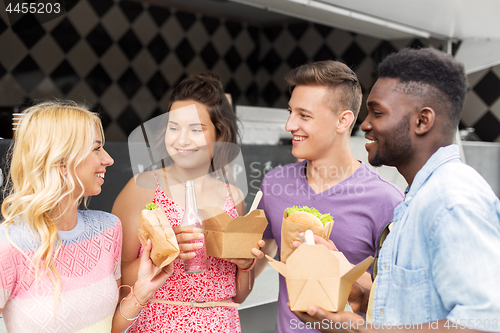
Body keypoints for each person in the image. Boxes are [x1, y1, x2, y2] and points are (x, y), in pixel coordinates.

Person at [292, 48, 500, 332]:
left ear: (422, 121)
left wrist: (359, 330)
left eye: (377, 112)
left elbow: (485, 322)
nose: (364, 124)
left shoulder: (452, 200)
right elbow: (414, 309)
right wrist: (358, 292)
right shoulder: (416, 199)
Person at [255, 60, 404, 333]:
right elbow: (261, 253)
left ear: (343, 120)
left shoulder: (386, 200)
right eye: (290, 112)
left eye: (304, 115)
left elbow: (398, 298)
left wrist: (345, 273)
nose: (289, 124)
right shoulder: (274, 184)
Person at [0, 101, 173, 333]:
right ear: (61, 160)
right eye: (96, 148)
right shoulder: (9, 244)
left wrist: (142, 290)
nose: (108, 159)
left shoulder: (107, 229)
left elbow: (109, 328)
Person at [112, 73, 264, 333]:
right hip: (159, 324)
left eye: (196, 129)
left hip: (223, 325)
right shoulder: (142, 188)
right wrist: (164, 253)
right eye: (174, 127)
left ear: (219, 133)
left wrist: (245, 264)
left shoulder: (233, 197)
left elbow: (238, 296)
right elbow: (116, 279)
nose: (181, 140)